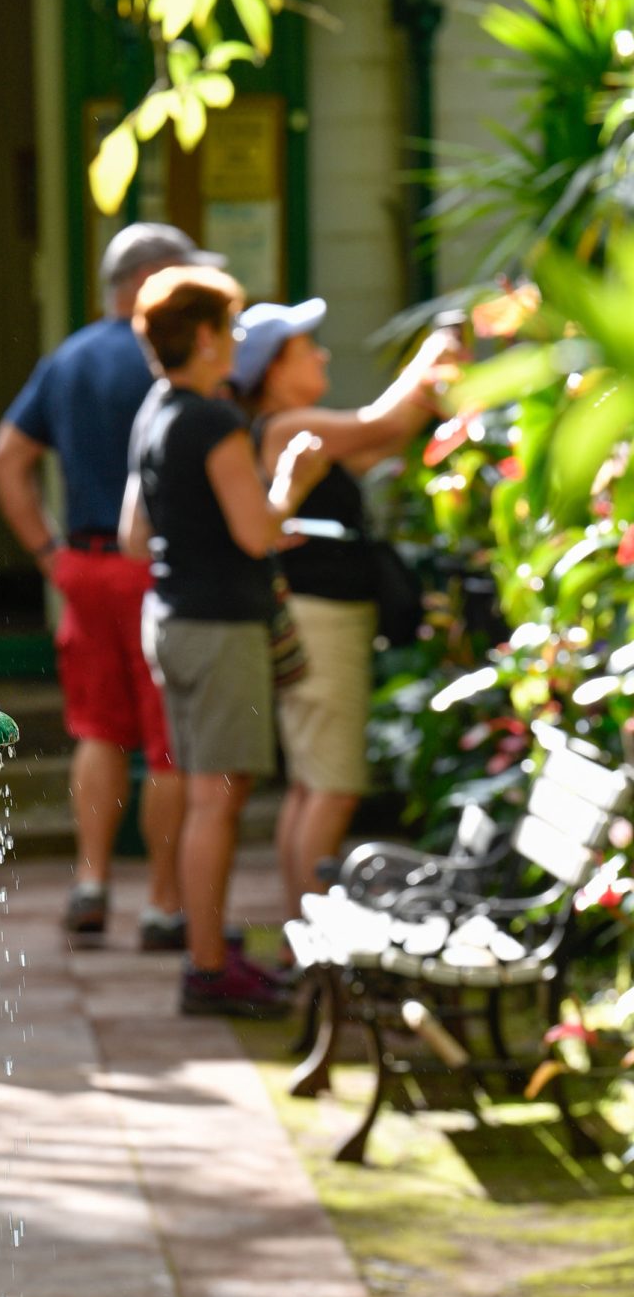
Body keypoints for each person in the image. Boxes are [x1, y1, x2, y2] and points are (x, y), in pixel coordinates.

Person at [0, 224, 224, 951]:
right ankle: (163, 901)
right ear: (154, 282)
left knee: (96, 729)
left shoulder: (70, 359)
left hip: (84, 569)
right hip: (161, 570)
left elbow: (5, 460)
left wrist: (48, 552)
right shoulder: (179, 360)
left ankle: (90, 884)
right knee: (168, 741)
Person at [119, 267, 326, 1017]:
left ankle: (209, 946)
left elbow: (134, 536)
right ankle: (208, 967)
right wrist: (291, 479)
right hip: (219, 625)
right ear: (205, 337)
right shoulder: (212, 420)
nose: (238, 343)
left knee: (207, 791)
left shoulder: (155, 410)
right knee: (217, 801)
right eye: (233, 329)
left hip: (171, 617)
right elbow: (256, 529)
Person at [232, 301, 459, 919]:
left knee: (312, 784)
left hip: (321, 615)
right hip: (323, 618)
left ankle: (300, 941)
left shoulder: (300, 432)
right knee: (333, 787)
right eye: (309, 347)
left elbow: (380, 438)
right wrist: (433, 355)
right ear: (275, 371)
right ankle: (321, 952)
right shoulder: (284, 429)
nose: (323, 355)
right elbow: (378, 425)